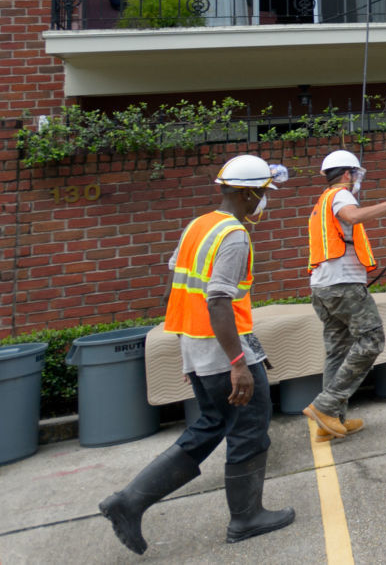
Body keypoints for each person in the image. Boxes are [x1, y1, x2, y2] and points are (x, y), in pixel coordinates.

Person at [98, 155, 295, 555]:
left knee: (210, 425)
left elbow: (173, 292)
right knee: (250, 427)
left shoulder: (198, 225)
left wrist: (193, 356)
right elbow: (219, 301)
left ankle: (129, 501)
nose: (265, 200)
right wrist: (237, 363)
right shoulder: (234, 234)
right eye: (263, 193)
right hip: (225, 351)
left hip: (199, 348)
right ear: (248, 192)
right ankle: (246, 518)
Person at [303, 149, 386, 440]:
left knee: (338, 352)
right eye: (356, 174)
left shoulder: (321, 201)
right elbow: (351, 217)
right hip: (342, 286)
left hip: (322, 287)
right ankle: (326, 406)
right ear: (346, 174)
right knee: (372, 339)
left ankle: (330, 422)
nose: (357, 180)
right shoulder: (341, 194)